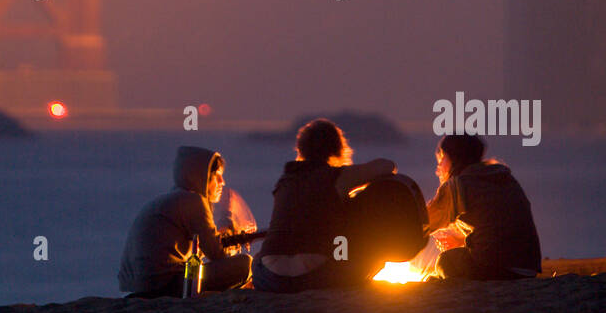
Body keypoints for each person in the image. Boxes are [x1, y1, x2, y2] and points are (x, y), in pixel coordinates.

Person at [252, 118, 427, 291]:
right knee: (373, 257)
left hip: (273, 279)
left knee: (258, 261)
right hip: (315, 275)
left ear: (301, 149)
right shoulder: (336, 176)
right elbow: (387, 166)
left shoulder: (284, 181)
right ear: (337, 148)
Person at [118, 146, 252, 297]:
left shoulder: (175, 198)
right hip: (166, 284)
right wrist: (231, 239)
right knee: (245, 264)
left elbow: (199, 246)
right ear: (201, 176)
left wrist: (223, 236)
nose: (223, 182)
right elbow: (216, 254)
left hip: (144, 285)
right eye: (217, 175)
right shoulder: (194, 201)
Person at [426, 134, 541, 280]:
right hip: (527, 269)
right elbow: (499, 227)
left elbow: (425, 222)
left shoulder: (458, 185)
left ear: (451, 159)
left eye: (441, 160)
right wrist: (461, 241)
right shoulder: (503, 177)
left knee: (446, 261)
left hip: (495, 268)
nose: (438, 168)